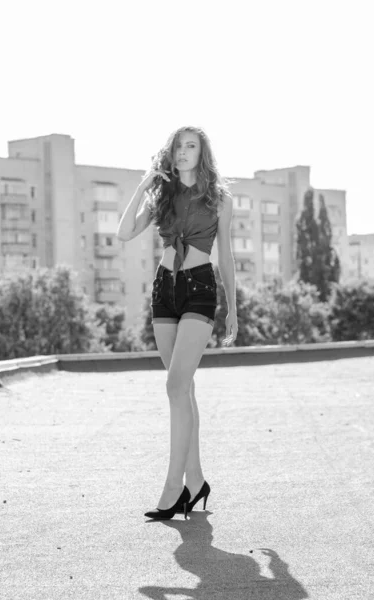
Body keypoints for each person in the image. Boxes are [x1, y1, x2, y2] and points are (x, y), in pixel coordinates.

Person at [117, 125, 238, 520]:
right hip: (164, 290)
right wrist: (143, 186)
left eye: (191, 147)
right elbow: (124, 233)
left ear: (202, 154)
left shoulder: (219, 198)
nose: (184, 152)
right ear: (170, 154)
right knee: (183, 388)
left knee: (175, 385)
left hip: (200, 289)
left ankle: (174, 488)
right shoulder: (162, 196)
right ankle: (198, 479)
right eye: (179, 147)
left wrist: (232, 308)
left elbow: (227, 257)